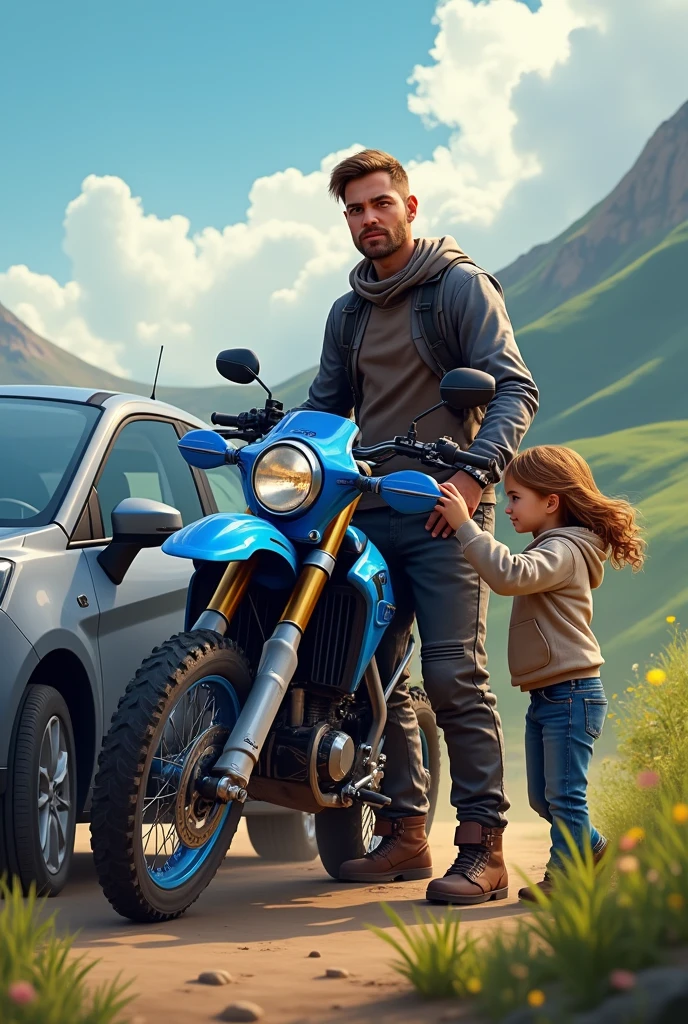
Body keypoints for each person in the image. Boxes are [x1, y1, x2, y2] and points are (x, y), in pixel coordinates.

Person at [302, 148, 539, 904]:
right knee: (372, 676)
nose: (367, 219)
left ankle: (484, 849)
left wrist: (471, 480)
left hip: (445, 513)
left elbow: (514, 388)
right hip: (366, 513)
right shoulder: (349, 311)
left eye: (379, 203)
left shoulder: (457, 286)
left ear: (410, 205)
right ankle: (405, 833)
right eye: (353, 209)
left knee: (454, 676)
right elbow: (328, 405)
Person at [434, 445, 645, 899]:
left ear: (551, 501)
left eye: (515, 498)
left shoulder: (566, 550)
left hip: (572, 694)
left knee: (566, 798)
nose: (507, 508)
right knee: (544, 799)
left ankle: (566, 880)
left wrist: (464, 526)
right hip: (549, 696)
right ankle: (591, 847)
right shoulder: (552, 547)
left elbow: (509, 575)